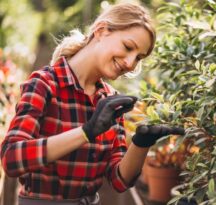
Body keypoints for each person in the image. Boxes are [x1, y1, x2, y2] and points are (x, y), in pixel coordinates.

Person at [0, 3, 184, 205]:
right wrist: (86, 132)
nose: (131, 63)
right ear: (101, 31)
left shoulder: (109, 99)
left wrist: (141, 144)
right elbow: (11, 158)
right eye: (128, 47)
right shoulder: (45, 85)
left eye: (138, 58)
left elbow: (119, 180)